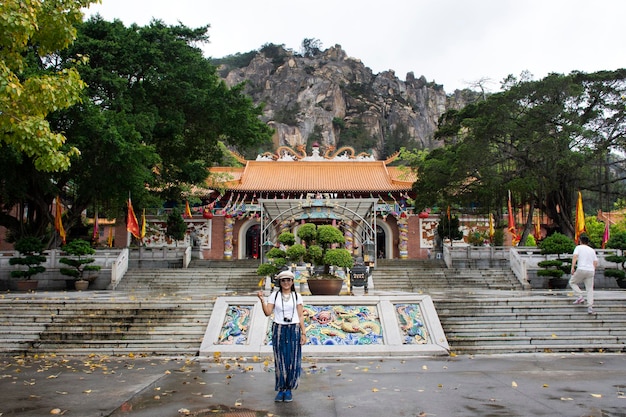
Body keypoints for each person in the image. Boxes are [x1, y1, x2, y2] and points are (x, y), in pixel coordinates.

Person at [257, 270, 306, 402]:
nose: (286, 283)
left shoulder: (297, 296)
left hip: (294, 329)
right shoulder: (274, 296)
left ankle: (289, 389)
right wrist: (262, 300)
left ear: (292, 282)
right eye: (283, 280)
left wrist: (303, 333)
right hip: (279, 328)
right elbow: (268, 312)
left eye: (288, 280)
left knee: (293, 359)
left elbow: (300, 316)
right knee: (280, 360)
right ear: (280, 282)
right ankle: (280, 389)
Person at [569, 235, 598, 314]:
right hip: (590, 270)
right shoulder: (592, 250)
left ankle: (580, 296)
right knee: (589, 289)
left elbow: (575, 257)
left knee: (572, 282)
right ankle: (590, 307)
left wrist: (572, 267)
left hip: (581, 269)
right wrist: (593, 270)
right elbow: (595, 262)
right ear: (588, 242)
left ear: (580, 241)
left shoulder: (578, 248)